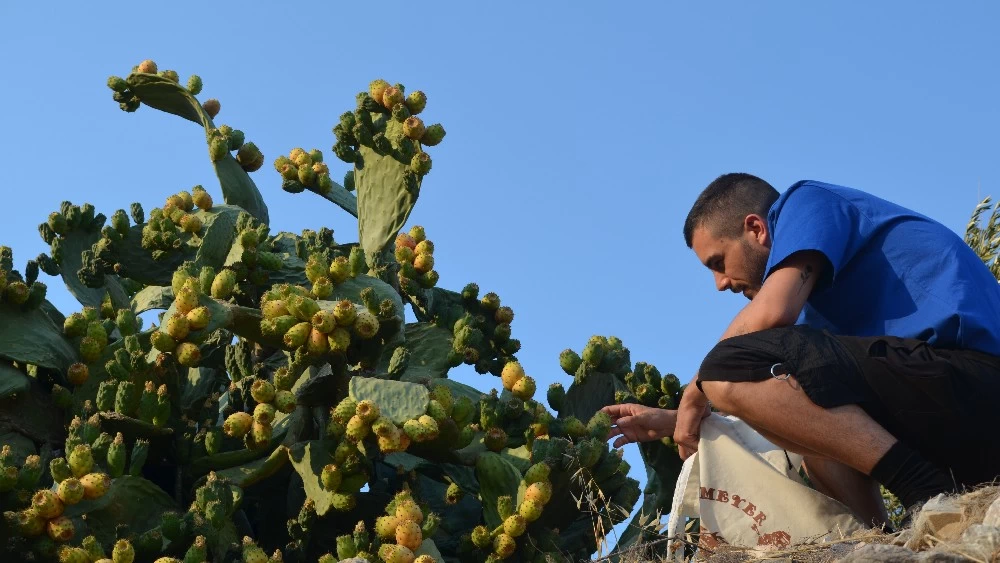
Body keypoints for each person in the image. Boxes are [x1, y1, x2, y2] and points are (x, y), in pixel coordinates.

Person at [602, 173, 1000, 528]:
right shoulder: (819, 314)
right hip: (949, 415)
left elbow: (768, 317)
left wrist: (696, 389)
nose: (720, 284)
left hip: (979, 381)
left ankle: (927, 493)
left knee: (729, 363)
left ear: (756, 228)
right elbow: (774, 399)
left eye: (718, 262)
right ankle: (894, 542)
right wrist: (675, 420)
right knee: (814, 429)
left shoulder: (806, 201)